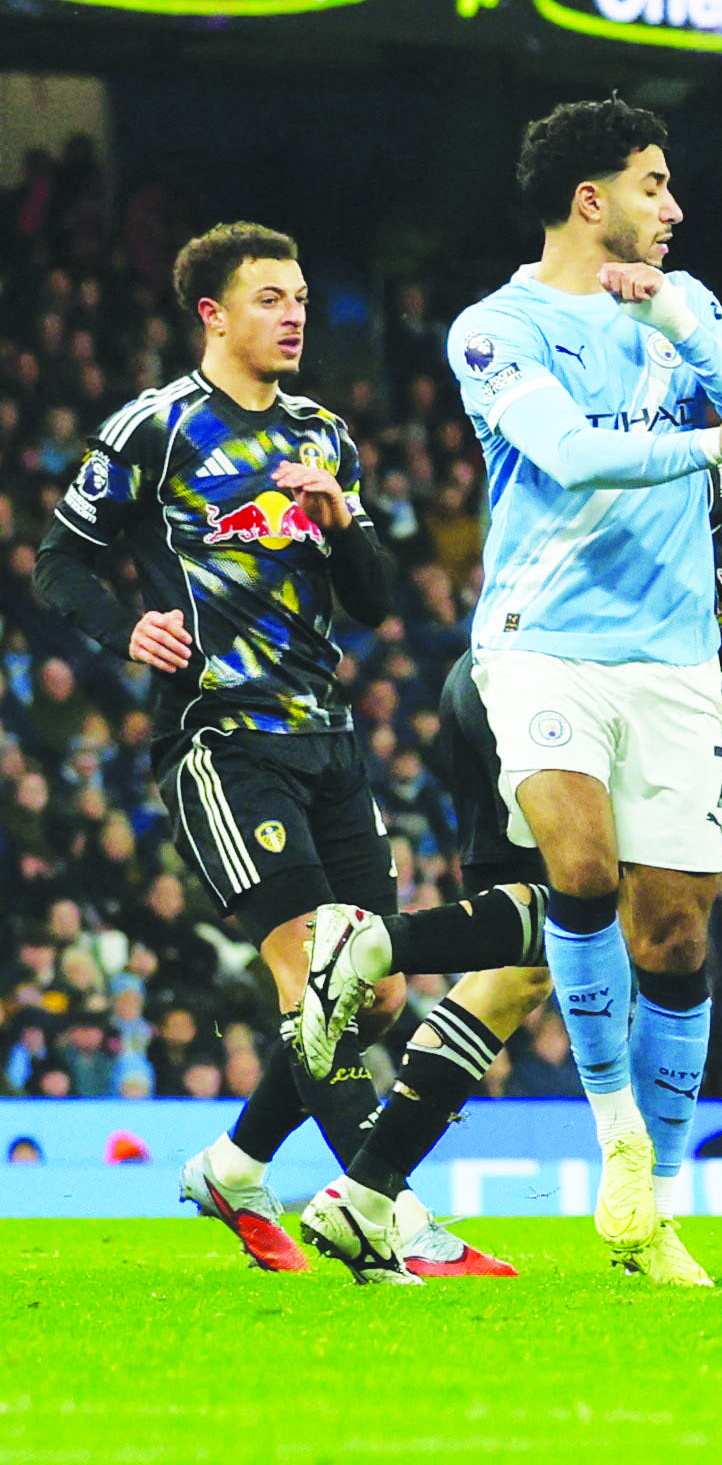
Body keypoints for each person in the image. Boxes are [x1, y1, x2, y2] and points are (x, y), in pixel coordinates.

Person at [32, 223, 524, 1279]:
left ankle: (234, 1163)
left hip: (328, 740)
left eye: (300, 296)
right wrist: (124, 627)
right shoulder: (156, 429)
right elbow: (58, 560)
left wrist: (344, 522)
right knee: (310, 975)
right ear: (212, 314)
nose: (294, 314)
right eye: (270, 298)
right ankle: (388, 1216)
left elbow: (376, 602)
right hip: (221, 739)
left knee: (374, 992)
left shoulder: (322, 434)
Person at [363, 99, 722, 1285]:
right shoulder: (496, 328)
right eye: (654, 184)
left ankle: (652, 1206)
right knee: (582, 867)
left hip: (674, 656)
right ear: (589, 198)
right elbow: (568, 451)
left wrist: (686, 330)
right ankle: (617, 1140)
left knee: (677, 930)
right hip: (541, 640)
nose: (675, 207)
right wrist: (711, 444)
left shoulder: (685, 305)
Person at [301, 390, 722, 1275]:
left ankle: (364, 1193)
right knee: (591, 911)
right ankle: (375, 946)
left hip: (532, 691)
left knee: (524, 965)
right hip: (541, 689)